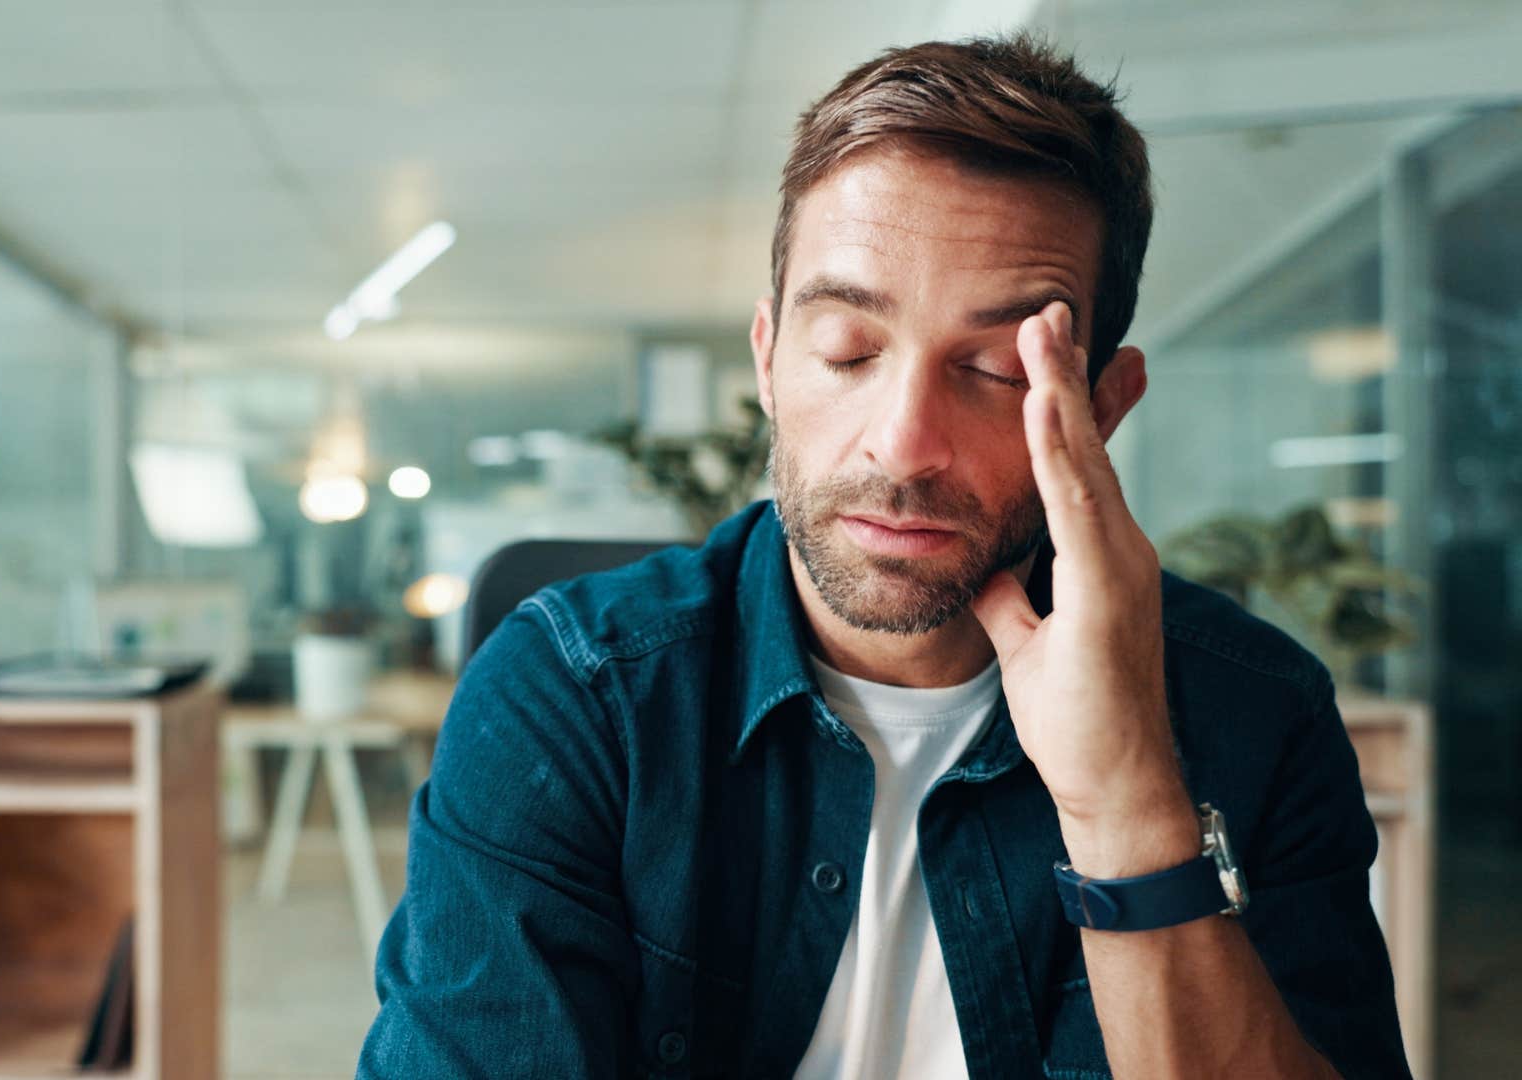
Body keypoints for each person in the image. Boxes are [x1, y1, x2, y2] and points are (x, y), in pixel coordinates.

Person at [359, 32, 1409, 1080]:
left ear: (1102, 405)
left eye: (998, 370)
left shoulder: (1257, 715)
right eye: (849, 354)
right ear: (770, 362)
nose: (904, 442)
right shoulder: (578, 694)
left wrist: (1128, 801)